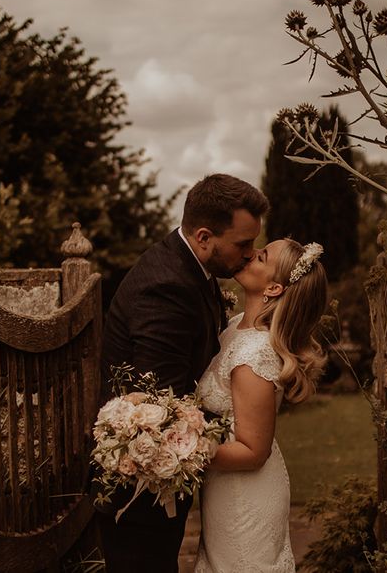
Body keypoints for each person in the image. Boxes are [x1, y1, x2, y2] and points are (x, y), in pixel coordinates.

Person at [94, 173, 269, 573]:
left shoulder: (194, 270)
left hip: (159, 487)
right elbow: (161, 402)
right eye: (243, 244)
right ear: (204, 237)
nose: (250, 253)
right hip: (139, 493)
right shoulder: (166, 288)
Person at [193, 238, 328, 573]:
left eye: (262, 256)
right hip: (227, 488)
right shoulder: (237, 326)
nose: (251, 254)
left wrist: (186, 452)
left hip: (244, 494)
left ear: (273, 287)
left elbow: (254, 451)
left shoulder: (255, 354)